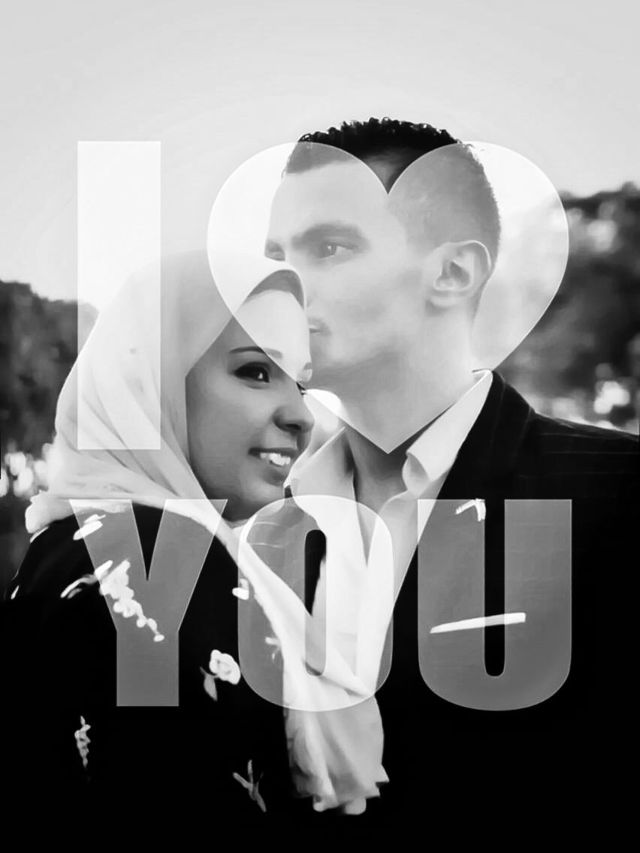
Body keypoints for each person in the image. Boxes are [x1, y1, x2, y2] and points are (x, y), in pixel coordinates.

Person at [258, 117, 639, 820]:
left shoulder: (620, 494)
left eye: (329, 248)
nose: (281, 283)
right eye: (275, 254)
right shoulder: (257, 534)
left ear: (453, 272)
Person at [1, 250, 388, 819]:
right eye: (256, 371)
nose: (302, 417)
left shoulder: (69, 542)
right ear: (154, 381)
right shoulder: (164, 559)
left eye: (302, 386)